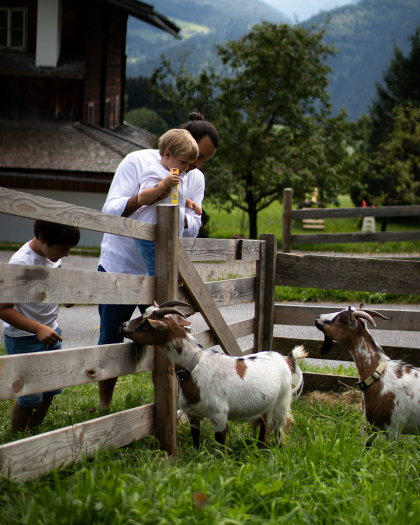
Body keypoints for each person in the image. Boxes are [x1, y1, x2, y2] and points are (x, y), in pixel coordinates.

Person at [97, 112, 219, 409]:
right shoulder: (136, 162)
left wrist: (179, 218)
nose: (197, 166)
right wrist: (145, 200)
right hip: (122, 266)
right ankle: (104, 405)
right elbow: (110, 211)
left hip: (163, 268)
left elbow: (191, 227)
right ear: (180, 144)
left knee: (169, 342)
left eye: (203, 161)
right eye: (196, 157)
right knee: (112, 340)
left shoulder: (194, 177)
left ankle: (166, 405)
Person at [0, 220, 80, 435]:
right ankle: (16, 437)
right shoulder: (21, 263)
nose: (67, 254)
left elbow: (53, 282)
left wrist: (62, 295)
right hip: (24, 338)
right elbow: (3, 308)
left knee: (51, 387)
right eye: (63, 249)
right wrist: (37, 328)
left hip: (52, 332)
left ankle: (34, 432)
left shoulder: (52, 257)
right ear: (43, 239)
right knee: (30, 394)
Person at [134, 128, 201, 277]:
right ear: (167, 154)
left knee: (167, 277)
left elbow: (176, 196)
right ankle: (155, 301)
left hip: (167, 236)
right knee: (160, 277)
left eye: (188, 163)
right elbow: (142, 198)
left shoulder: (175, 174)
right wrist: (164, 184)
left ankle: (158, 301)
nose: (186, 167)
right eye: (183, 162)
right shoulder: (154, 172)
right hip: (151, 236)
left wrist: (190, 204)